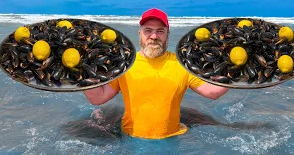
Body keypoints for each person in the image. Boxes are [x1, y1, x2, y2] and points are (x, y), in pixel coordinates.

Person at [83, 8, 230, 139]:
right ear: (139, 33)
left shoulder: (182, 64)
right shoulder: (124, 64)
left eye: (160, 31)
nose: (154, 36)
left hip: (172, 138)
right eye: (148, 30)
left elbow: (213, 92)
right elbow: (98, 98)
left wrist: (236, 71)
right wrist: (83, 71)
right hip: (131, 137)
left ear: (167, 35)